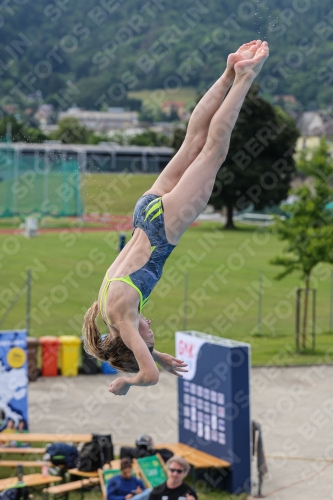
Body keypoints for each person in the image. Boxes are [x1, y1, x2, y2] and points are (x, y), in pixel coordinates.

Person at [83, 40, 269, 396]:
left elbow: (148, 376)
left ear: (131, 340)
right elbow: (138, 349)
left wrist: (128, 381)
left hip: (162, 229)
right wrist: (159, 355)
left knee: (214, 150)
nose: (151, 327)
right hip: (144, 213)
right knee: (193, 140)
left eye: (148, 337)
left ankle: (243, 77)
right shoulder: (109, 311)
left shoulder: (124, 319)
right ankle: (229, 69)